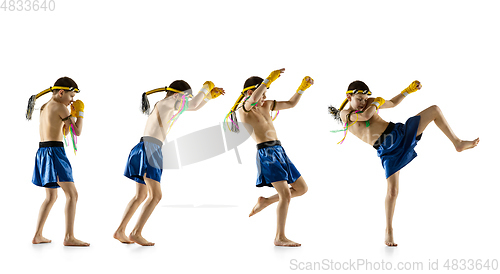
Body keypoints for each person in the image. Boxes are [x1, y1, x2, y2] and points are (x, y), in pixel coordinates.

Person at [329, 80, 480, 246]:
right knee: (392, 191)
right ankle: (388, 230)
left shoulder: (370, 103)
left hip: (398, 133)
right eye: (359, 99)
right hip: (387, 151)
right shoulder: (345, 114)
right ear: (348, 97)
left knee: (434, 110)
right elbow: (365, 116)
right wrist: (376, 103)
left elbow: (393, 103)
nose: (363, 103)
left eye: (365, 99)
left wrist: (408, 90)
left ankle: (457, 142)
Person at [114, 80, 224, 246]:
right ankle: (136, 232)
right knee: (156, 196)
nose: (187, 100)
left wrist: (208, 98)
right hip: (151, 148)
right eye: (186, 96)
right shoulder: (170, 102)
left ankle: (120, 231)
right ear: (178, 94)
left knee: (141, 195)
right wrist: (205, 87)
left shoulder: (166, 103)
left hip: (143, 147)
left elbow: (193, 106)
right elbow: (193, 104)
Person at [225, 68, 313, 247]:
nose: (264, 98)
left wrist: (302, 88)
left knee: (302, 188)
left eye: (265, 94)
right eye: (262, 94)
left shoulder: (266, 105)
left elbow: (290, 103)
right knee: (285, 195)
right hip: (267, 154)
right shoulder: (245, 109)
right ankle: (280, 237)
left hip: (280, 150)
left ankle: (265, 201)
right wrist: (267, 80)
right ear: (251, 92)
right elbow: (251, 101)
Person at [27, 76, 89, 246]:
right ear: (61, 93)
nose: (72, 100)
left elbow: (65, 132)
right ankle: (69, 237)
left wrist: (72, 115)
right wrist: (80, 114)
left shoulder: (46, 106)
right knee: (72, 194)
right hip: (55, 152)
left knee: (51, 197)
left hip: (43, 151)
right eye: (71, 96)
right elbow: (77, 132)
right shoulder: (61, 107)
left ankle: (37, 235)